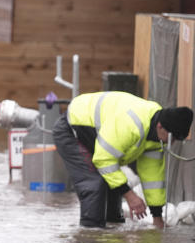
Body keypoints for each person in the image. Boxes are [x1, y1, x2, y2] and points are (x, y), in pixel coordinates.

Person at [52, 91, 193, 229]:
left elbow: (153, 179)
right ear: (160, 126)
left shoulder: (157, 138)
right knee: (94, 184)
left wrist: (157, 218)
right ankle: (90, 237)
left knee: (114, 183)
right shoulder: (131, 124)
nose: (172, 143)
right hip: (72, 130)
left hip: (98, 137)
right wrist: (130, 196)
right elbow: (104, 160)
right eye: (172, 138)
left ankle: (113, 232)